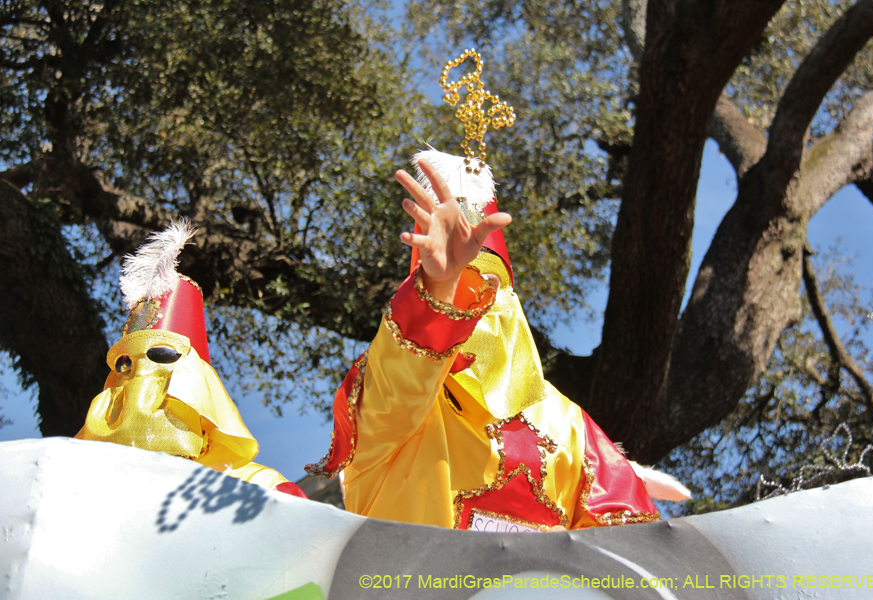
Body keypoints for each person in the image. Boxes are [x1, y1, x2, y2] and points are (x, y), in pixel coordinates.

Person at [306, 150, 661, 530]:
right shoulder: (394, 399)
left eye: (490, 287)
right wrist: (441, 285)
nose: (478, 303)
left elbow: (628, 544)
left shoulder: (571, 424)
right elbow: (400, 382)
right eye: (465, 288)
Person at [77, 220, 305, 498]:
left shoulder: (261, 489)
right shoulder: (78, 491)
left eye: (160, 356)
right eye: (124, 364)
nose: (141, 375)